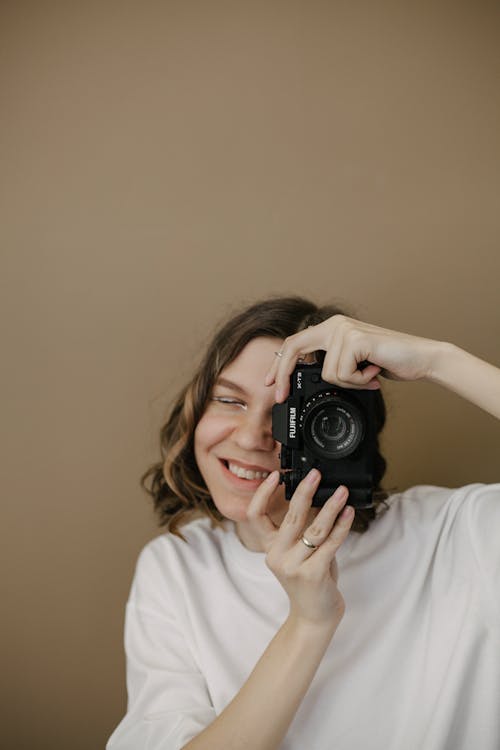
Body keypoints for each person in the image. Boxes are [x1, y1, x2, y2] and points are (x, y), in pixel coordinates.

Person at [106, 296, 500, 750]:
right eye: (230, 400)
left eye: (289, 409)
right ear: (194, 412)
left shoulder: (454, 536)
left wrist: (438, 360)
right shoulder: (177, 568)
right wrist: (310, 622)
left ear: (345, 428)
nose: (252, 436)